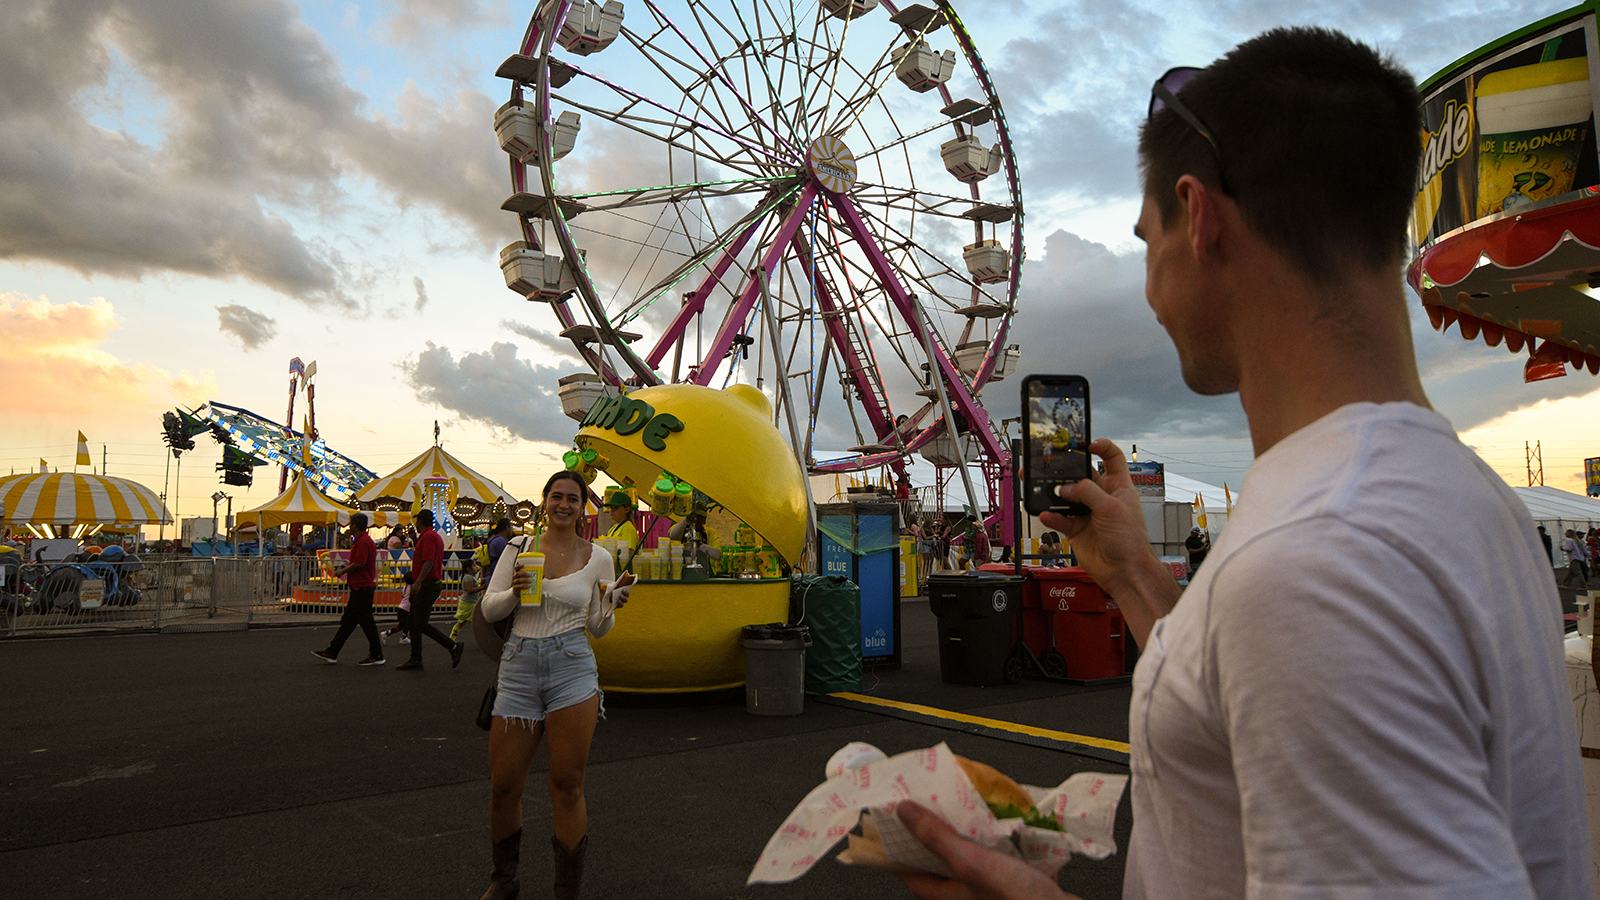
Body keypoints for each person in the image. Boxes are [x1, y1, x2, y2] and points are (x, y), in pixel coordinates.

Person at [896, 27, 1590, 900]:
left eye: (1149, 239)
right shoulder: (1467, 499)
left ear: (1203, 218)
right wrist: (1135, 579)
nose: (1150, 287)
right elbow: (1235, 711)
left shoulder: (1316, 561)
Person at [476, 470, 635, 900]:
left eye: (573, 499)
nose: (564, 504)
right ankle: (504, 879)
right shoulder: (518, 548)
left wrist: (610, 603)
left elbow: (599, 628)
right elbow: (490, 610)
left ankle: (566, 891)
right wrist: (513, 592)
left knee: (567, 785)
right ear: (544, 501)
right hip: (518, 667)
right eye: (556, 496)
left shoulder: (599, 557)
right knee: (504, 785)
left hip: (572, 666)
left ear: (584, 507)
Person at [311, 513, 385, 666]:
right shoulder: (363, 541)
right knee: (350, 622)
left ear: (355, 525)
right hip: (361, 586)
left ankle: (376, 654)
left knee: (365, 622)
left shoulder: (363, 542)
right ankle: (332, 651)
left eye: (350, 523)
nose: (348, 526)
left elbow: (359, 563)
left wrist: (341, 571)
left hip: (362, 586)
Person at [395, 509, 464, 671]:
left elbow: (428, 561)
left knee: (419, 623)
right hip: (428, 583)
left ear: (419, 521)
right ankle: (415, 658)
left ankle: (452, 646)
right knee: (414, 622)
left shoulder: (428, 537)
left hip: (427, 585)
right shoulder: (430, 537)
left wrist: (418, 582)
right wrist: (414, 539)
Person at [668, 502, 722, 571]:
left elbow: (717, 554)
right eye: (693, 516)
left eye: (699, 516)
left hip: (705, 575)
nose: (696, 519)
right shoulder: (681, 529)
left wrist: (700, 545)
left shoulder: (710, 532)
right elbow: (672, 535)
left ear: (704, 519)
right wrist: (686, 520)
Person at [449, 557, 483, 643]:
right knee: (479, 621)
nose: (476, 568)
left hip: (468, 602)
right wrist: (481, 588)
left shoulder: (469, 577)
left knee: (461, 622)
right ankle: (482, 639)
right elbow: (470, 590)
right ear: (468, 569)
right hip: (470, 603)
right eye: (474, 566)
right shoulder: (468, 578)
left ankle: (452, 638)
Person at [602, 492, 639, 561]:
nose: (612, 511)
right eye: (611, 507)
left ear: (626, 510)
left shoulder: (627, 528)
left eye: (616, 508)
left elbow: (628, 555)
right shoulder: (613, 527)